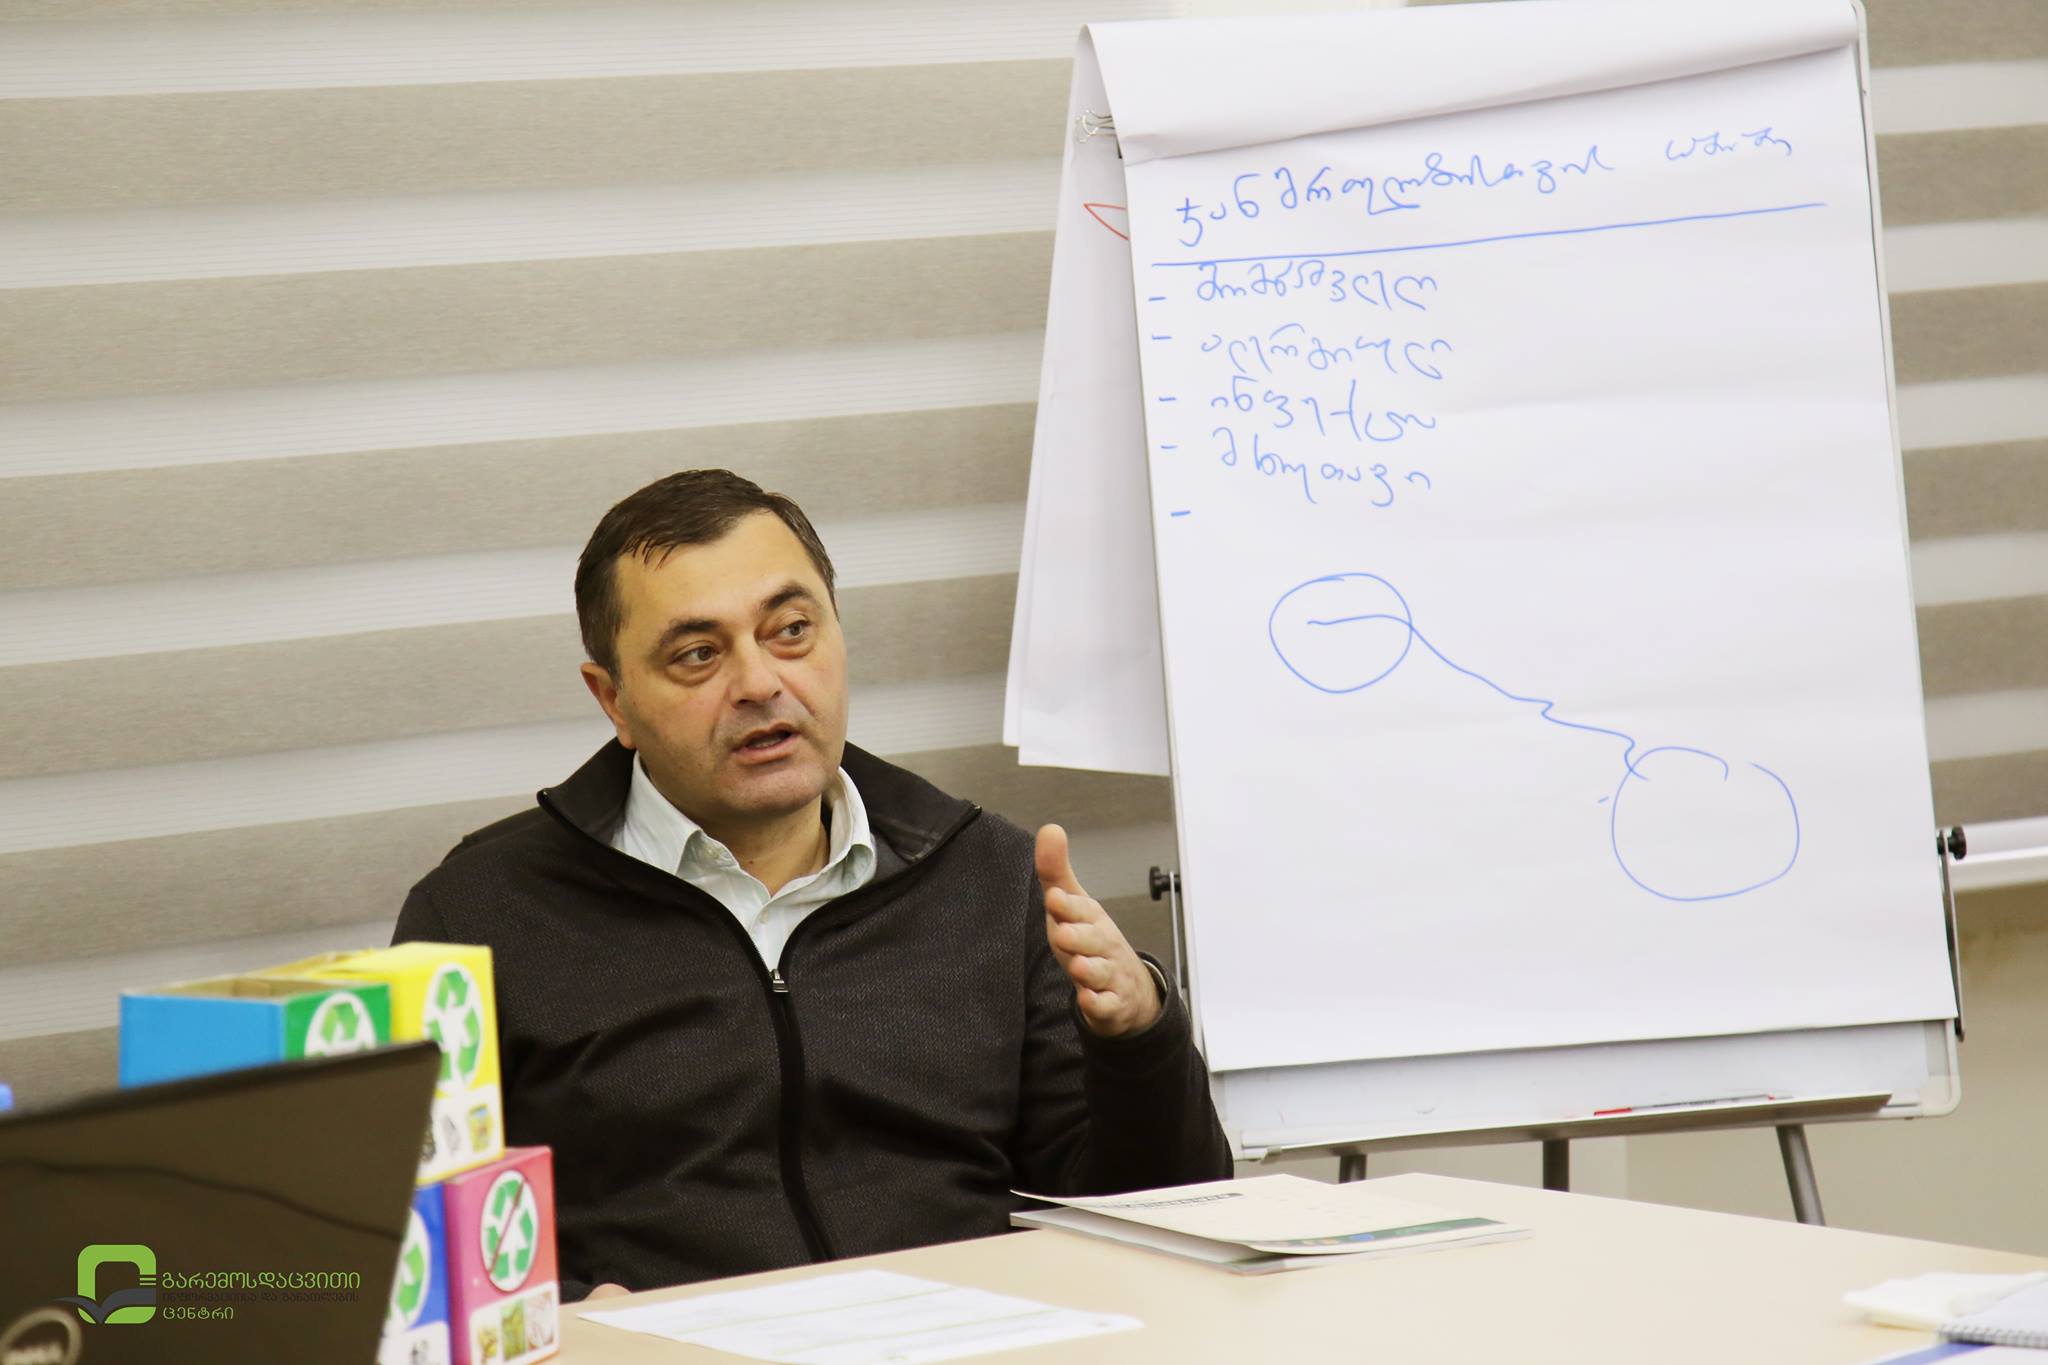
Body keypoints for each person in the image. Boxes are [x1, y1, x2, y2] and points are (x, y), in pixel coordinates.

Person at [394, 469, 1231, 1299]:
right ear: (613, 699)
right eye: (698, 654)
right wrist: (566, 1311)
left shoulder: (988, 877)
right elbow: (416, 1247)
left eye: (791, 631)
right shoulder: (479, 916)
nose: (760, 683)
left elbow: (1159, 1220)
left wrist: (1138, 1037)